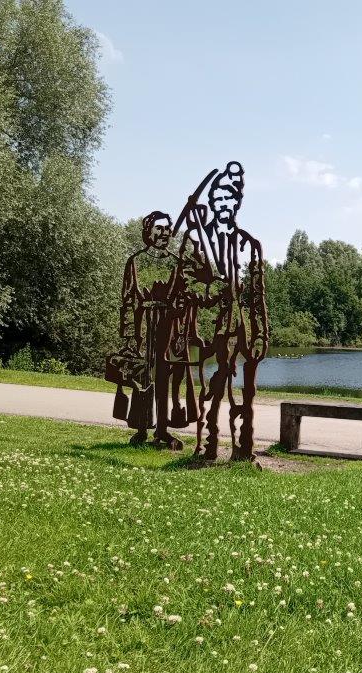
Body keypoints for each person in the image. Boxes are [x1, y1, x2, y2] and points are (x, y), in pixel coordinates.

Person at [178, 162, 269, 462]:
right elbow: (186, 283)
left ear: (237, 202)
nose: (223, 205)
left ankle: (244, 448)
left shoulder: (249, 245)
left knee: (247, 391)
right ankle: (211, 444)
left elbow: (257, 295)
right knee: (215, 387)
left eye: (229, 199)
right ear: (212, 202)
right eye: (218, 199)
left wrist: (261, 333)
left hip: (245, 328)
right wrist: (211, 290)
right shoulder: (197, 242)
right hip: (216, 326)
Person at [106, 210, 188, 448]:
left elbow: (182, 299)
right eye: (159, 228)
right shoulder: (136, 261)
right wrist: (130, 334)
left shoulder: (176, 263)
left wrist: (181, 331)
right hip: (143, 324)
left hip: (168, 325)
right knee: (142, 378)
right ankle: (141, 428)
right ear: (148, 231)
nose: (164, 233)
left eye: (167, 229)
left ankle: (162, 429)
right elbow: (128, 301)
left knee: (164, 378)